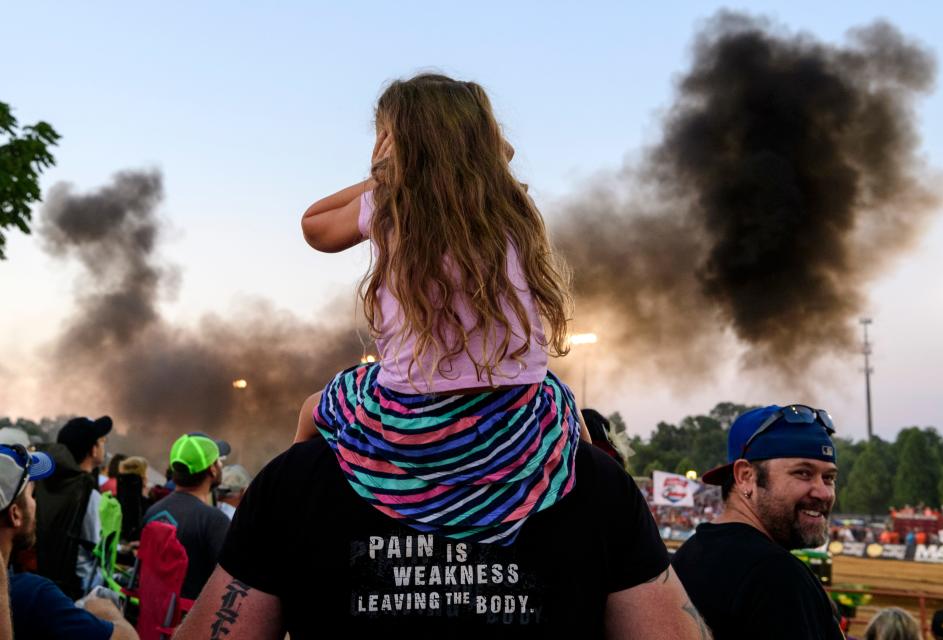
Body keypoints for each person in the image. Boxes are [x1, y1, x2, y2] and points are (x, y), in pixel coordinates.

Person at [176, 74, 707, 639]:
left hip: (406, 399)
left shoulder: (386, 203)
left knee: (313, 415)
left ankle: (322, 498)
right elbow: (501, 156)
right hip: (523, 399)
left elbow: (314, 227)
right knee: (572, 428)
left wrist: (383, 171)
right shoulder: (510, 203)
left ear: (396, 141)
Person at [672, 404, 843, 639]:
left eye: (829, 478)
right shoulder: (777, 576)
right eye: (803, 473)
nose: (823, 492)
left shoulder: (691, 552)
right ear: (746, 477)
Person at [1, 444, 138, 639]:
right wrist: (105, 609)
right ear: (15, 514)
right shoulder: (35, 596)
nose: (36, 503)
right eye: (32, 495)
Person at [143, 433, 230, 600]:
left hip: (152, 615)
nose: (220, 465)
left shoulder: (153, 512)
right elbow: (228, 582)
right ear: (212, 469)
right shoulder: (214, 521)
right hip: (191, 619)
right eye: (219, 461)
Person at [35, 415, 112, 599]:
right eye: (102, 441)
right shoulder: (88, 494)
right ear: (93, 450)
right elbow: (94, 551)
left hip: (41, 583)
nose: (104, 446)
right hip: (76, 592)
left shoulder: (42, 481)